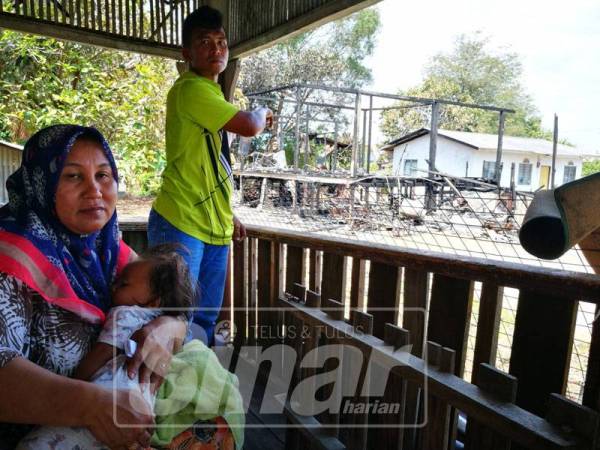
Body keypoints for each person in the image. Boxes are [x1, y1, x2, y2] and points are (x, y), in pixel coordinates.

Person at [0, 125, 186, 449]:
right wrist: (91, 406)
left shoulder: (106, 248)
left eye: (103, 175)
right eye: (73, 176)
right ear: (42, 185)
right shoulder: (10, 253)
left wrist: (170, 326)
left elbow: (166, 297)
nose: (94, 191)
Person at [17, 244, 244, 449]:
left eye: (123, 284)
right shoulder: (158, 315)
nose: (114, 286)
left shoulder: (124, 314)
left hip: (107, 400)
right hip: (139, 410)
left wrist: (76, 383)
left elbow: (103, 352)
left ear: (154, 302)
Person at [148, 5, 273, 344]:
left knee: (203, 317)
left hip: (211, 225)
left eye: (221, 41)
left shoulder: (212, 96)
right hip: (180, 219)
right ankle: (167, 390)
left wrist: (226, 214)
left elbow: (207, 164)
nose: (217, 49)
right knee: (175, 316)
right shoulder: (191, 89)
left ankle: (197, 384)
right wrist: (262, 111)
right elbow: (249, 125)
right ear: (187, 53)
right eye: (205, 41)